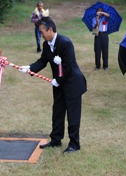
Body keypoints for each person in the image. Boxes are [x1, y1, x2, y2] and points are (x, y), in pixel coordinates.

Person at [20, 17, 87, 153]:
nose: (41, 34)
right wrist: (29, 68)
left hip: (72, 83)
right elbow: (43, 61)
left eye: (42, 31)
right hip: (59, 84)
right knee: (57, 111)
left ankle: (74, 144)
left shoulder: (65, 43)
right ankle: (56, 140)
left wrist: (58, 80)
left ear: (50, 30)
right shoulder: (46, 45)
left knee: (73, 114)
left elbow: (68, 66)